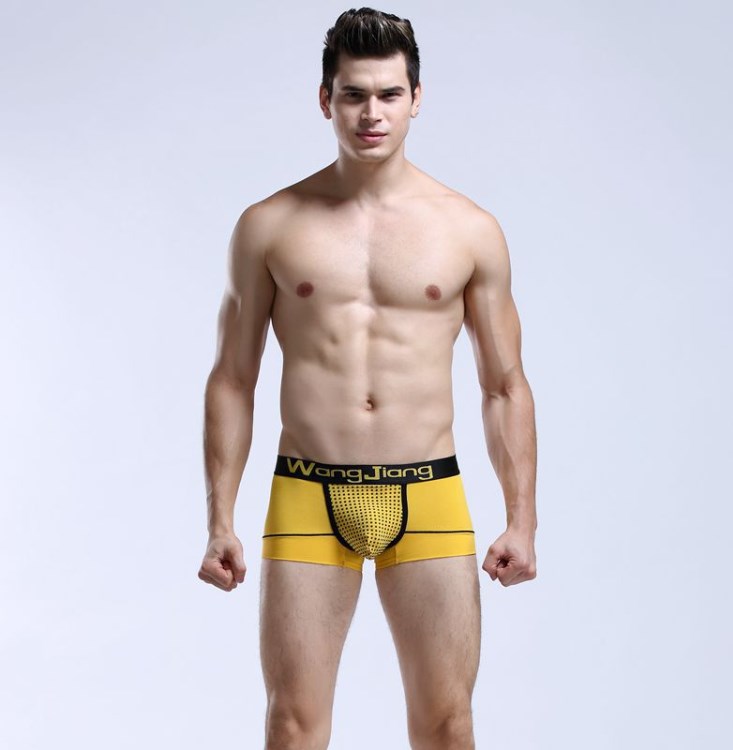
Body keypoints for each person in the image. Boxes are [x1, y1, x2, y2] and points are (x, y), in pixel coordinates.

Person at [198, 7, 537, 749]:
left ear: (417, 98)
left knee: (447, 724)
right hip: (308, 492)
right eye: (354, 94)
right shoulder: (270, 224)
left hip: (429, 490)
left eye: (388, 94)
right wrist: (220, 519)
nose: (371, 113)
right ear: (326, 100)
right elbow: (232, 378)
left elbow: (504, 384)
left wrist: (522, 519)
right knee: (292, 725)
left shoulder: (469, 229)